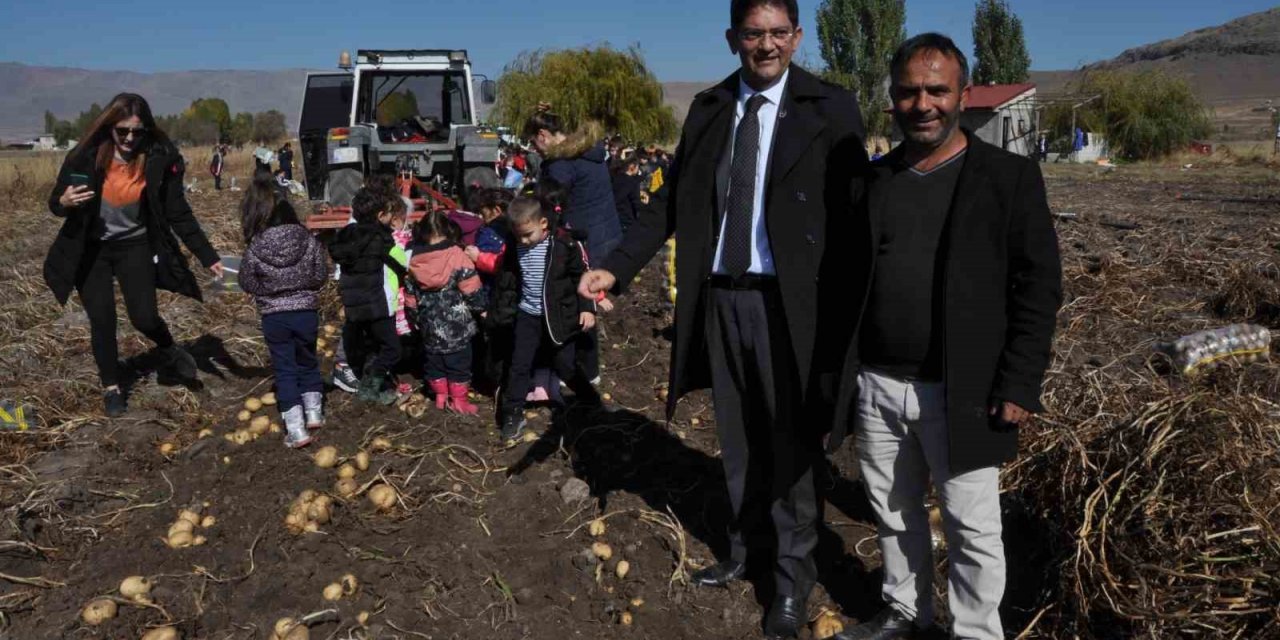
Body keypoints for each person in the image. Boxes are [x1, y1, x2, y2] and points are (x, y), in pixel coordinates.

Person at [578, 1, 866, 637]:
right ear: (733, 37)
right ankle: (744, 548)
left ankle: (792, 582)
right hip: (721, 299)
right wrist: (616, 267)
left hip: (791, 306)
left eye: (777, 34)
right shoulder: (710, 109)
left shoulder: (831, 108)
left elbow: (857, 213)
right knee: (737, 439)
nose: (766, 46)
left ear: (796, 37)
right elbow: (667, 205)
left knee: (791, 447)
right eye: (753, 34)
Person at [827, 34, 1062, 640]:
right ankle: (906, 611)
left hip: (964, 388)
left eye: (936, 89)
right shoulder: (874, 181)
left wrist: (1020, 381)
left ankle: (975, 631)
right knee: (893, 511)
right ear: (892, 100)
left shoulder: (1006, 178)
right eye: (908, 91)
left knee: (972, 526)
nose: (922, 103)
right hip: (878, 384)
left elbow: (1037, 288)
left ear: (962, 93)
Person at [43, 92, 223, 417]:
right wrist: (64, 202)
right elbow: (56, 202)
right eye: (122, 130)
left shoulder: (158, 157)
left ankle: (169, 347)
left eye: (136, 132)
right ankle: (111, 386)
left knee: (144, 317)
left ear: (146, 130)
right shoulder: (84, 156)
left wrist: (208, 256)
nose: (129, 138)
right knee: (102, 319)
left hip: (134, 244)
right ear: (110, 127)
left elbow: (178, 212)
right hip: (92, 248)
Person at [490, 196, 602, 441]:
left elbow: (582, 276)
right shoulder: (515, 243)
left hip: (559, 315)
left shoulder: (564, 244)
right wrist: (500, 307)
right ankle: (512, 413)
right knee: (519, 364)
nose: (524, 240)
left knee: (566, 364)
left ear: (543, 223)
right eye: (519, 235)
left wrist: (587, 307)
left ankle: (590, 400)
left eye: (528, 234)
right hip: (527, 314)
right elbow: (508, 278)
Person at [236, 174, 329, 448]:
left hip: (274, 318)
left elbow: (246, 280)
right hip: (305, 313)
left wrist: (266, 292)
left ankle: (296, 430)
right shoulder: (308, 240)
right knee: (308, 361)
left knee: (285, 369)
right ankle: (314, 413)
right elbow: (320, 274)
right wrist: (305, 289)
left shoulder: (256, 245)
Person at [327, 188, 408, 406]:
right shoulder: (380, 236)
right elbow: (401, 261)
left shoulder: (347, 235)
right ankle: (370, 387)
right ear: (381, 215)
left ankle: (376, 384)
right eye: (389, 214)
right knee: (392, 349)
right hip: (378, 304)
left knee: (370, 346)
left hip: (354, 304)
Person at [407, 211, 486, 414]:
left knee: (434, 362)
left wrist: (416, 318)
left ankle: (440, 397)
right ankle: (459, 401)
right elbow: (472, 287)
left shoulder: (415, 258)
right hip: (457, 325)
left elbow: (410, 295)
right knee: (459, 364)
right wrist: (481, 308)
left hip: (429, 324)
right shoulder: (457, 255)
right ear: (449, 230)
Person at [611, 157, 644, 233]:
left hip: (613, 215)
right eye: (637, 166)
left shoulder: (614, 177)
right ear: (632, 167)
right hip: (626, 218)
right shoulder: (632, 182)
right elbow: (636, 202)